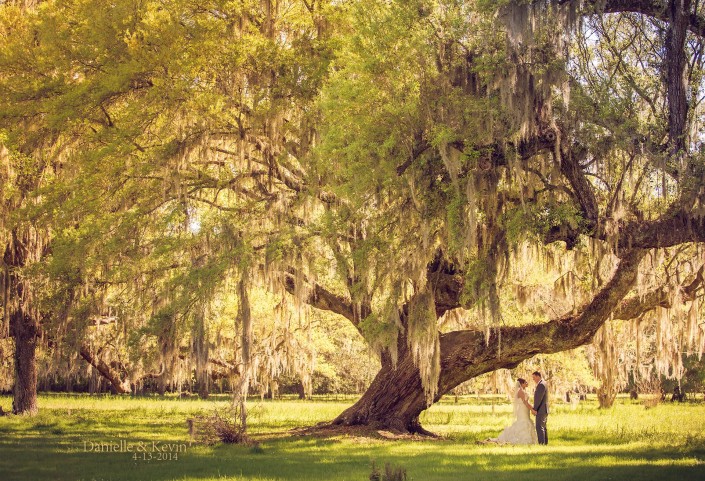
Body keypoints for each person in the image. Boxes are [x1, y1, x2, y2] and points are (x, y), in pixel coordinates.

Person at [490, 378, 538, 444]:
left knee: (527, 421)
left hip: (525, 409)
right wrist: (532, 409)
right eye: (525, 382)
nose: (527, 383)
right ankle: (522, 438)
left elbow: (527, 402)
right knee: (523, 422)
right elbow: (525, 402)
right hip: (522, 410)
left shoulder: (523, 390)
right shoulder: (521, 391)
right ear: (522, 384)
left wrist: (531, 408)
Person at [530, 371, 549, 445]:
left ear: (538, 376)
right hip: (544, 409)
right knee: (543, 427)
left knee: (539, 427)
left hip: (541, 409)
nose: (533, 379)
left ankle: (542, 444)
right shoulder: (544, 383)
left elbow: (538, 398)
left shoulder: (541, 385)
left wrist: (534, 409)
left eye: (534, 378)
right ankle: (545, 443)